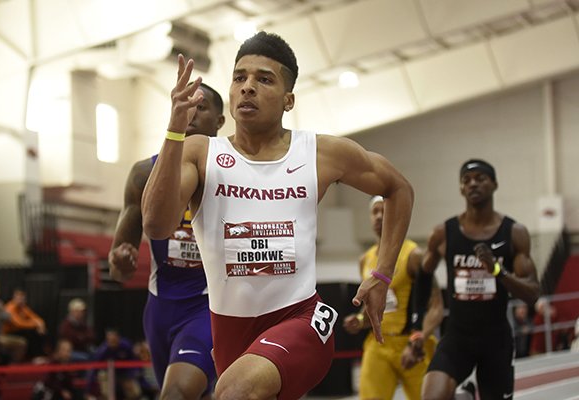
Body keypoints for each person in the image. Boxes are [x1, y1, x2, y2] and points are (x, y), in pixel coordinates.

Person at [141, 31, 414, 400]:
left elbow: (399, 189)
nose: (248, 87)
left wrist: (382, 274)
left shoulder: (320, 153)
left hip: (300, 318)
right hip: (229, 331)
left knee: (235, 392)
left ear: (289, 100)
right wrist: (173, 129)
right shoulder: (200, 153)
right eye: (240, 77)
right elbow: (156, 225)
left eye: (263, 79)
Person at [108, 82, 225, 400]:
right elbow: (119, 271)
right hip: (159, 309)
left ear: (220, 121)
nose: (191, 113)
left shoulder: (233, 174)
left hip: (209, 306)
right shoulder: (144, 173)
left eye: (201, 107)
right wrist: (120, 260)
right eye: (185, 105)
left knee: (176, 393)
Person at [412, 159, 540, 400]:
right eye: (466, 180)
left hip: (496, 341)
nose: (473, 184)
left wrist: (497, 271)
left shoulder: (514, 233)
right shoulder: (443, 233)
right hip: (457, 337)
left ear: (494, 184)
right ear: (461, 189)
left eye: (480, 178)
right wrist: (417, 328)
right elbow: (423, 274)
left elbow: (533, 293)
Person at [343, 195, 443, 400]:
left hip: (412, 343)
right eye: (375, 212)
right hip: (379, 345)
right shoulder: (365, 260)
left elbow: (436, 306)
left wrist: (419, 338)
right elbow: (374, 304)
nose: (379, 217)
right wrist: (361, 320)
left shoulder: (413, 255)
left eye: (385, 211)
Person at [4, 288, 47, 360]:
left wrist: (40, 324)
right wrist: (35, 324)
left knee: (41, 331)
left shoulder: (23, 308)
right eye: (18, 297)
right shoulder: (10, 307)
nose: (20, 299)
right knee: (31, 332)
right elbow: (18, 323)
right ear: (14, 298)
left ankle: (41, 355)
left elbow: (36, 318)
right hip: (9, 332)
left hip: (20, 331)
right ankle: (36, 356)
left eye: (22, 297)